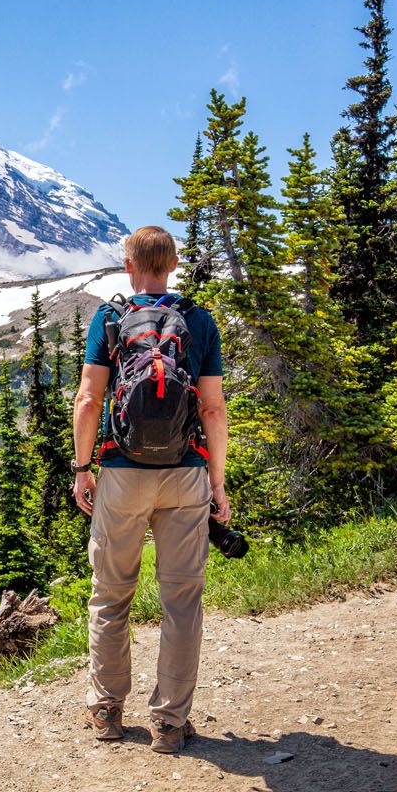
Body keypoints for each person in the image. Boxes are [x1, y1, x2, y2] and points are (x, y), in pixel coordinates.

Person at [70, 225, 230, 754]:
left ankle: (108, 710)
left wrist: (83, 467)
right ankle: (168, 722)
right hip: (185, 474)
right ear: (174, 264)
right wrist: (217, 481)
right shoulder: (199, 322)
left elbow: (89, 400)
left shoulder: (110, 318)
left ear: (129, 266)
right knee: (181, 599)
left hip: (121, 473)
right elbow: (211, 408)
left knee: (111, 595)